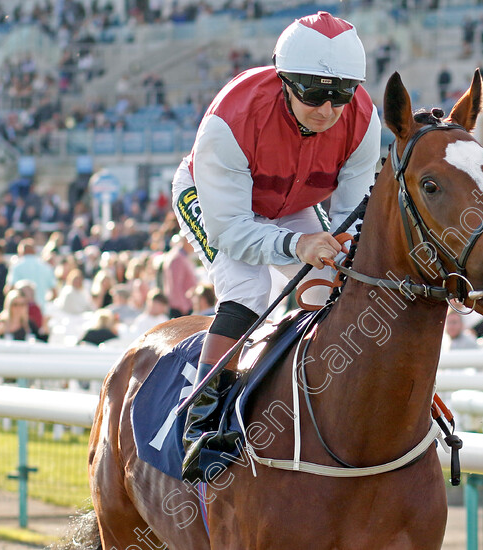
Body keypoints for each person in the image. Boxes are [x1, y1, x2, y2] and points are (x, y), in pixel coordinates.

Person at [171, 11, 381, 481]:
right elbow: (230, 231)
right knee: (248, 290)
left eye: (340, 93)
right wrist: (296, 244)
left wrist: (329, 249)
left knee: (332, 286)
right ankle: (202, 421)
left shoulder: (364, 120)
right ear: (285, 80)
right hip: (220, 203)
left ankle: (312, 400)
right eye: (313, 91)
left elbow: (353, 218)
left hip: (293, 206)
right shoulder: (232, 118)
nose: (327, 109)